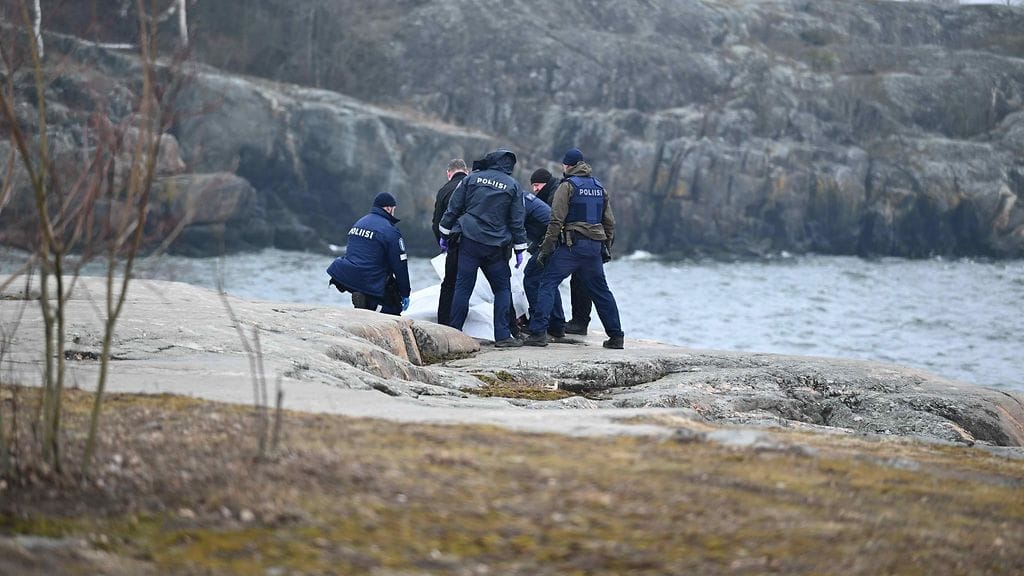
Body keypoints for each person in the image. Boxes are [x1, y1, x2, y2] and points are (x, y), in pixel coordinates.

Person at [523, 148, 624, 349]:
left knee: (547, 282)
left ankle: (538, 333)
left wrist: (546, 249)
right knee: (601, 291)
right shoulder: (598, 187)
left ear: (567, 166)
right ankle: (616, 337)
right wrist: (606, 248)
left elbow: (555, 220)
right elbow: (609, 222)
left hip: (571, 246)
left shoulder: (567, 186)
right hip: (594, 248)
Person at [438, 149, 528, 347]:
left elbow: (453, 207)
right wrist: (520, 248)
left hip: (469, 242)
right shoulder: (513, 186)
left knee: (463, 287)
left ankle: (455, 334)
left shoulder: (472, 179)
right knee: (502, 288)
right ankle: (503, 336)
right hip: (496, 247)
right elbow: (516, 220)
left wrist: (444, 233)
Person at [326, 192, 411, 315]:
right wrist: (405, 293)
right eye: (394, 209)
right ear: (388, 208)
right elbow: (400, 264)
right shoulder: (390, 231)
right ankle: (370, 304)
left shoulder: (359, 223)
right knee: (394, 309)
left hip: (350, 277)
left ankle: (363, 297)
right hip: (371, 280)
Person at [522, 183, 566, 338]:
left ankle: (538, 324)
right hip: (556, 240)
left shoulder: (518, 202)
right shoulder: (527, 199)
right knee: (549, 281)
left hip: (551, 241)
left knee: (531, 278)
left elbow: (516, 226)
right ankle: (557, 325)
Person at [431, 158, 469, 326]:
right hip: (479, 242)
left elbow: (437, 222)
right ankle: (509, 326)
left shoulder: (444, 190)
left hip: (454, 242)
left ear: (449, 174)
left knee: (449, 285)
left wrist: (443, 243)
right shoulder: (473, 186)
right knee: (495, 284)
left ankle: (445, 324)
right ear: (466, 172)